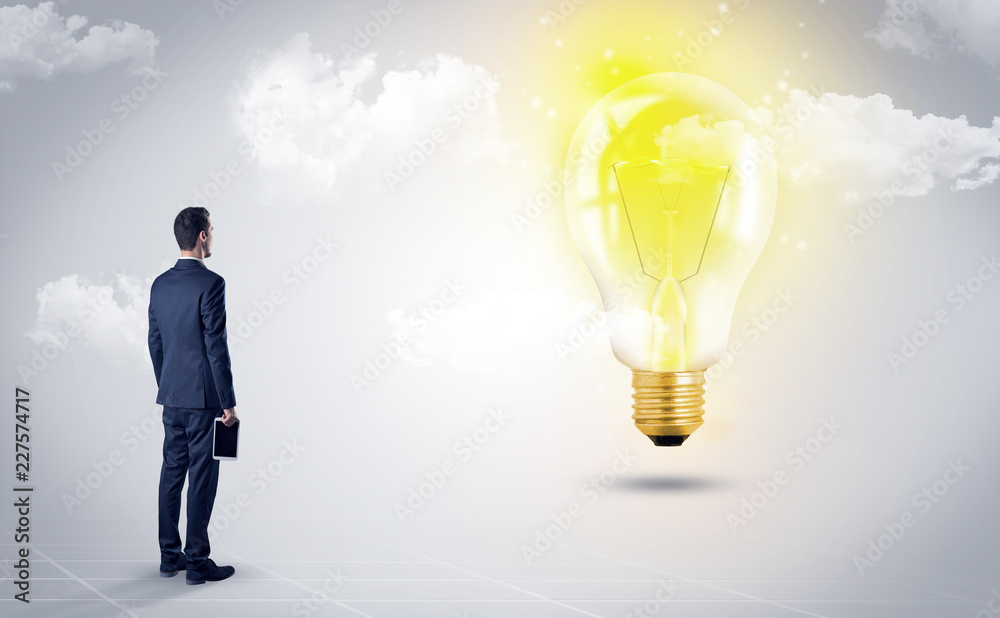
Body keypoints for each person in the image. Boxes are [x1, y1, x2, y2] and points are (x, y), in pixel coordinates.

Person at [148, 207, 238, 585]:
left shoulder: (159, 284)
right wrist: (228, 401)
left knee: (171, 473)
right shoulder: (211, 283)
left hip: (171, 397)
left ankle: (170, 557)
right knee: (201, 477)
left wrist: (166, 383)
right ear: (202, 236)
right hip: (204, 401)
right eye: (212, 229)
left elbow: (155, 341)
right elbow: (216, 346)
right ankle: (197, 562)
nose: (213, 235)